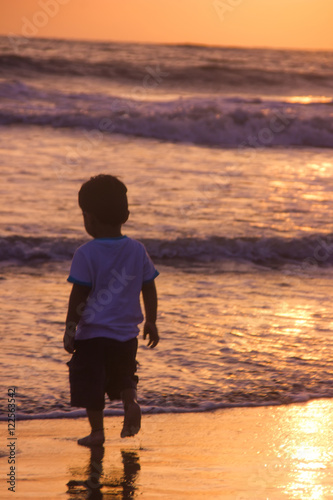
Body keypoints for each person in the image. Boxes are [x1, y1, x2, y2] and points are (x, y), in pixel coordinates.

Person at [63, 174, 159, 446]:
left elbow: (78, 296)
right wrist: (151, 321)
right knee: (123, 375)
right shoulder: (137, 250)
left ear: (89, 218)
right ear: (125, 214)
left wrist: (70, 329)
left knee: (91, 381)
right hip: (126, 335)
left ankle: (97, 433)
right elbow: (149, 286)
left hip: (92, 335)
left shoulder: (86, 253)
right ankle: (131, 403)